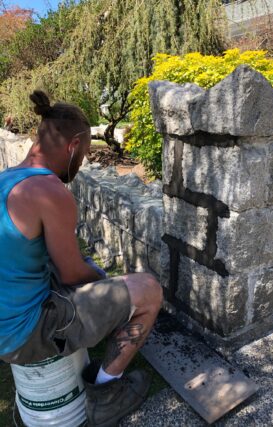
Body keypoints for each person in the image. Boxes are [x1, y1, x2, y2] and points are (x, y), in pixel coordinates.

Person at [0, 90, 163, 426]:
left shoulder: (5, 180)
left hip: (6, 319)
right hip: (23, 334)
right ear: (73, 146)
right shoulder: (49, 192)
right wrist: (112, 289)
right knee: (147, 290)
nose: (83, 162)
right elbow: (73, 275)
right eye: (85, 154)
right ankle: (106, 394)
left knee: (91, 270)